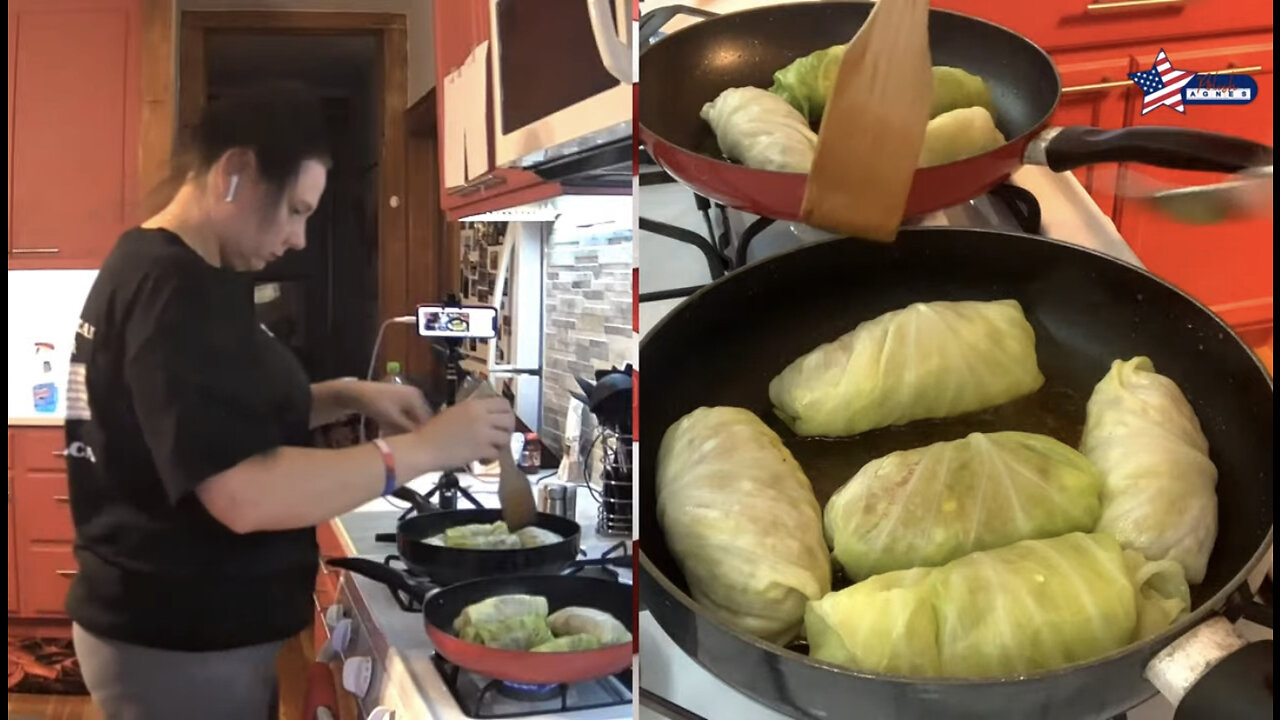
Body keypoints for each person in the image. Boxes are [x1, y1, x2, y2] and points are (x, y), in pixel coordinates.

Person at [63, 82, 515, 719]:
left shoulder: (174, 271)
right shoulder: (174, 291)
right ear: (236, 173)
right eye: (297, 211)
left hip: (180, 637)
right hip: (176, 641)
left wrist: (345, 396)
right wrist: (423, 450)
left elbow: (206, 419)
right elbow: (244, 494)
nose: (302, 238)